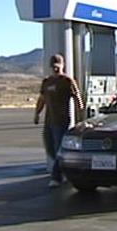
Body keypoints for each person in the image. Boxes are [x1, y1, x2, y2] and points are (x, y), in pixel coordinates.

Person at [34, 54, 84, 188]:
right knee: (50, 146)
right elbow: (42, 99)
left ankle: (56, 176)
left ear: (62, 65)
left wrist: (81, 117)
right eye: (54, 66)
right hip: (49, 120)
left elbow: (77, 98)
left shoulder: (67, 81)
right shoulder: (47, 81)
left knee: (58, 148)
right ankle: (65, 169)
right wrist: (37, 113)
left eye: (58, 66)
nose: (56, 69)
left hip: (61, 120)